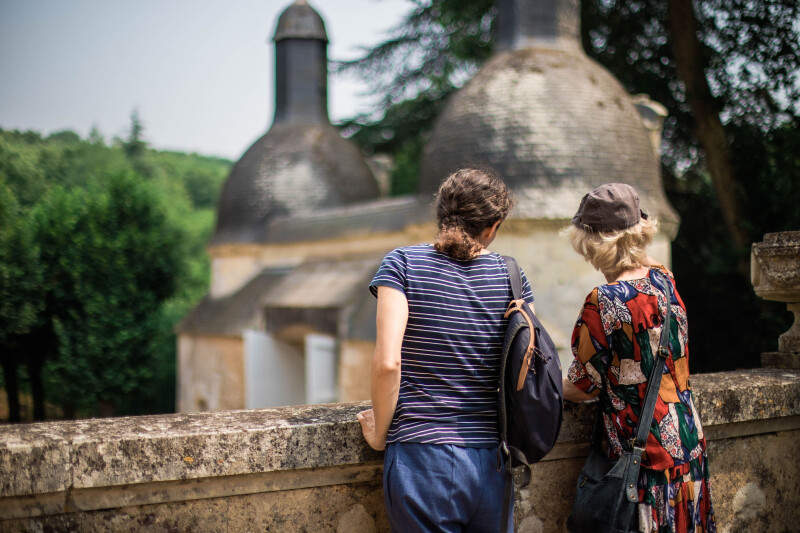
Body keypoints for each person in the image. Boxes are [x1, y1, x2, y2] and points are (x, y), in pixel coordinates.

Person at [357, 168, 533, 532]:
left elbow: (389, 363)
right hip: (490, 461)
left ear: (441, 214)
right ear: (492, 226)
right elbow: (526, 364)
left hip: (419, 458)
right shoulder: (512, 277)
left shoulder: (401, 264)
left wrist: (378, 435)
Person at [562, 183, 716, 533]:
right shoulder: (665, 282)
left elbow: (584, 385)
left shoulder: (603, 301)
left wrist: (547, 389)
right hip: (687, 447)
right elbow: (651, 263)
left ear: (591, 244)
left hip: (642, 461)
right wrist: (632, 245)